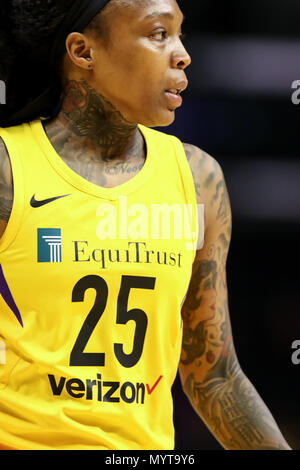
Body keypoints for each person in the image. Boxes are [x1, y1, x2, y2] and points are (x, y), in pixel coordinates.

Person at [0, 0, 291, 451]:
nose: (182, 54)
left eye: (181, 35)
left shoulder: (198, 179)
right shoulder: (8, 168)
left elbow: (214, 377)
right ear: (83, 50)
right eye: (158, 34)